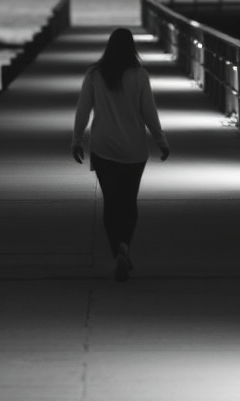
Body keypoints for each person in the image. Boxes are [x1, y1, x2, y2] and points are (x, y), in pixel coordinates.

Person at [72, 27, 170, 282]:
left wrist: (76, 140)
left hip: (104, 148)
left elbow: (83, 110)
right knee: (129, 202)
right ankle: (126, 244)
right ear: (132, 48)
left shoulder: (94, 74)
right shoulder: (140, 75)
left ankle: (117, 251)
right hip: (133, 150)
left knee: (111, 203)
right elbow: (149, 111)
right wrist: (161, 140)